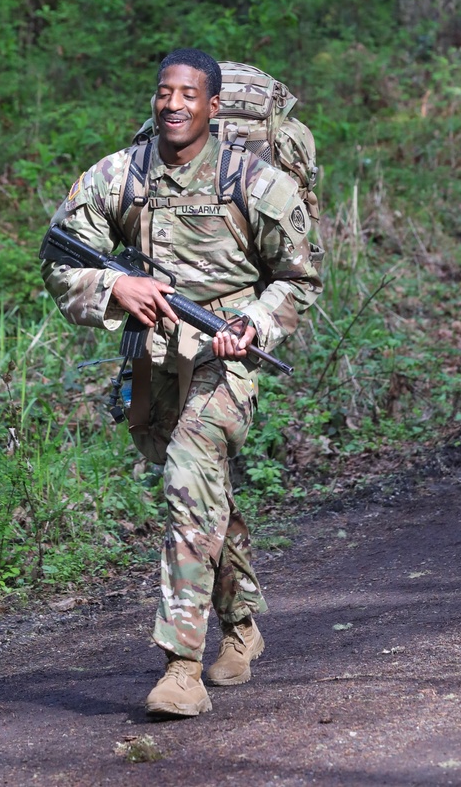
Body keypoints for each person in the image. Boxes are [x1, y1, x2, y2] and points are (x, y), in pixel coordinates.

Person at [41, 46, 321, 719]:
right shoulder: (120, 175)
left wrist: (252, 324)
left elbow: (299, 279)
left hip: (226, 359)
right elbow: (58, 255)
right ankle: (244, 625)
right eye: (164, 92)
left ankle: (180, 668)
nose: (172, 104)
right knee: (204, 495)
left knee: (189, 479)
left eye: (188, 95)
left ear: (214, 107)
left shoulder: (253, 183)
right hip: (151, 360)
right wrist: (116, 284)